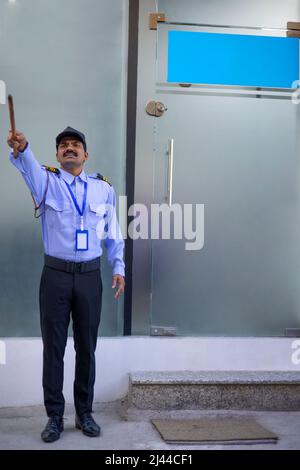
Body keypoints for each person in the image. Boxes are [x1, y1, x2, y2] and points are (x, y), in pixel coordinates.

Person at [7, 126, 125, 443]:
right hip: (55, 277)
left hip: (89, 276)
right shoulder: (47, 182)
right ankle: (55, 417)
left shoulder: (103, 189)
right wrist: (23, 147)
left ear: (86, 154)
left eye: (75, 145)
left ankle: (84, 414)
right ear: (57, 155)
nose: (69, 148)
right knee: (54, 349)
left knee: (87, 348)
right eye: (63, 146)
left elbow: (113, 231)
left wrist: (119, 266)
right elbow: (27, 165)